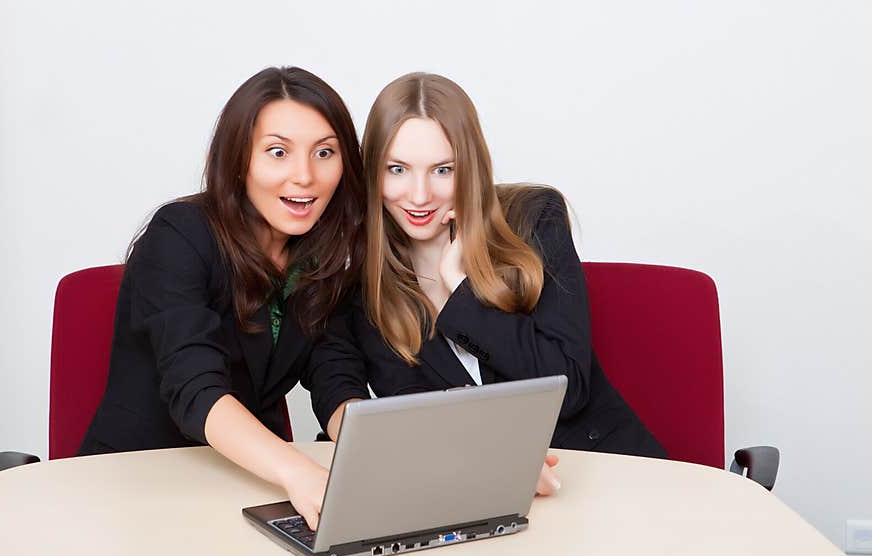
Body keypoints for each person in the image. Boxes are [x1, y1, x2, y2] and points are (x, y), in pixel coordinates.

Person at [308, 73, 667, 494]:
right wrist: (493, 463)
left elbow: (567, 388)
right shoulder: (360, 289)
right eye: (398, 169)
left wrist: (458, 286)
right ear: (372, 174)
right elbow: (351, 397)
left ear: (471, 168)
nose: (419, 195)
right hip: (478, 496)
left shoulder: (535, 219)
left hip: (606, 478)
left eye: (443, 170)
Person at [78, 67, 365, 530]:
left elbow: (334, 376)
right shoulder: (180, 235)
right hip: (134, 490)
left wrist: (371, 458)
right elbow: (196, 388)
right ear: (239, 161)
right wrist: (299, 472)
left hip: (245, 490)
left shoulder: (322, 257)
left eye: (325, 153)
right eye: (278, 152)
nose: (305, 176)